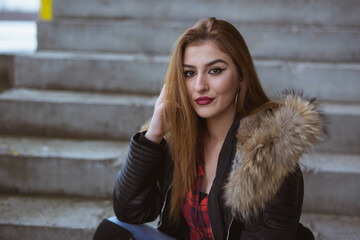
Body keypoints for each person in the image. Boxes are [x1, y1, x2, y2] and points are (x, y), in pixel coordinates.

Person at [93, 17, 325, 240]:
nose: (200, 86)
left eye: (215, 70)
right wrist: (153, 136)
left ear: (241, 76)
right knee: (113, 230)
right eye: (189, 73)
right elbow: (129, 211)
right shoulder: (178, 139)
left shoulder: (267, 151)